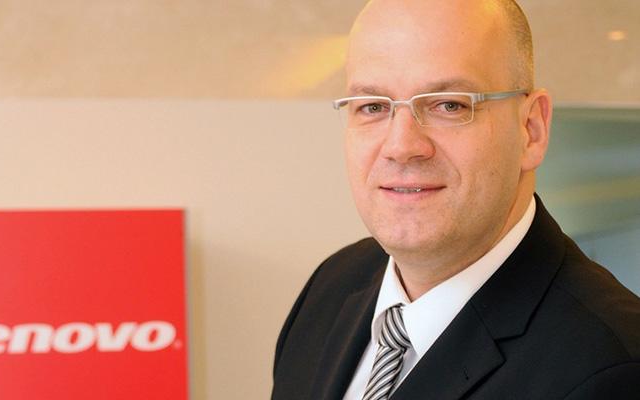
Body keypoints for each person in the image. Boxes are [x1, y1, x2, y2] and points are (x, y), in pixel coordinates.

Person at [271, 0, 640, 399]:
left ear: (531, 129)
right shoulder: (331, 285)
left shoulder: (613, 369)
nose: (401, 147)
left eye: (450, 105)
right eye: (373, 106)